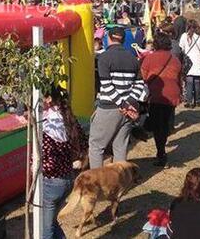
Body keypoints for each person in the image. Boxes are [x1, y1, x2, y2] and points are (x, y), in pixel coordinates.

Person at [88, 26, 148, 168]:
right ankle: (120, 180)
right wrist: (130, 102)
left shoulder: (104, 57)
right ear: (124, 40)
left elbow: (107, 86)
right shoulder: (133, 58)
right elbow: (140, 84)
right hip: (128, 108)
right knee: (120, 146)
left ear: (108, 38)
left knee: (96, 146)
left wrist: (123, 104)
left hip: (109, 107)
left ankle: (97, 182)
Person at [41, 86, 87, 239]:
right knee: (52, 222)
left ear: (48, 99)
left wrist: (34, 165)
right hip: (68, 179)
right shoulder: (68, 118)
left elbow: (49, 163)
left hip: (52, 182)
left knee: (45, 228)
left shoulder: (48, 125)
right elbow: (83, 142)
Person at [140, 32, 181, 167]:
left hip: (157, 95)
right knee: (164, 123)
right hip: (171, 94)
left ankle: (161, 153)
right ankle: (161, 149)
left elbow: (144, 77)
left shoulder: (150, 59)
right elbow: (179, 78)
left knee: (158, 127)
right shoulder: (175, 60)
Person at [179, 20, 200, 108]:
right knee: (197, 82)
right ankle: (198, 100)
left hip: (188, 61)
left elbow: (182, 48)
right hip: (198, 61)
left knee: (189, 81)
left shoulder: (184, 36)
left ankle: (189, 100)